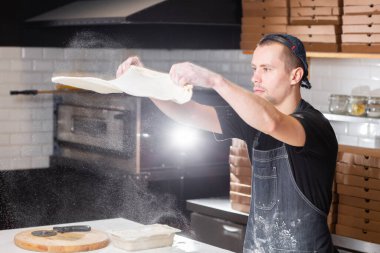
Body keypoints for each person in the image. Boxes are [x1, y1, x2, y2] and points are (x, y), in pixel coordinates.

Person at [117, 33, 338, 252]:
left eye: (266, 69)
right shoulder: (252, 121)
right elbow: (190, 114)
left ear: (295, 75)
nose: (256, 78)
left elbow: (273, 122)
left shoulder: (313, 126)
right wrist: (144, 82)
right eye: (254, 69)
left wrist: (214, 80)